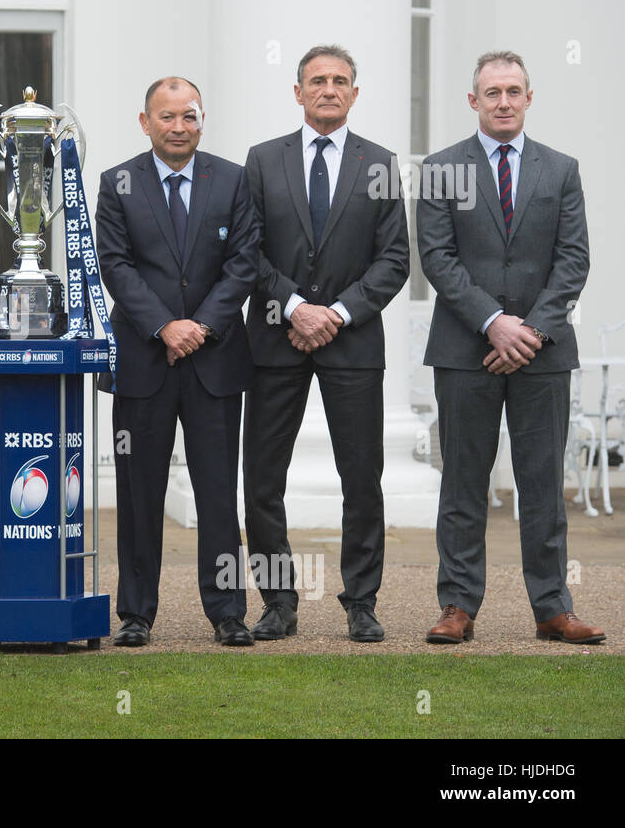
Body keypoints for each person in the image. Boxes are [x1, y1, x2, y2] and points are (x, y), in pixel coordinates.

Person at [418, 50, 604, 645]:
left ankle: (553, 608)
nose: (503, 102)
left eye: (513, 92)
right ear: (473, 101)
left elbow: (574, 258)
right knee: (463, 483)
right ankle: (457, 607)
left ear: (529, 98)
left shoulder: (562, 169)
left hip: (543, 354)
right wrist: (495, 322)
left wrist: (530, 332)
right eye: (492, 93)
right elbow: (437, 258)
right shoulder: (442, 168)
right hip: (464, 349)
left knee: (544, 483)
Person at [242, 45, 409, 643]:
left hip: (352, 344)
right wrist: (293, 306)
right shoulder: (262, 162)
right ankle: (278, 602)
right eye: (318, 81)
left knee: (361, 477)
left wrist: (334, 314)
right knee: (262, 479)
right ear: (298, 91)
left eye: (341, 81)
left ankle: (361, 601)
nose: (329, 89)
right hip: (273, 338)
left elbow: (395, 260)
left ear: (355, 94)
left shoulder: (381, 162)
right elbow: (248, 251)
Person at [95, 76, 261, 647]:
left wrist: (200, 327)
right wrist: (165, 326)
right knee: (140, 491)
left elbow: (243, 263)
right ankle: (137, 613)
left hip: (214, 362)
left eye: (188, 116)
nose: (178, 126)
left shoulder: (234, 180)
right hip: (144, 359)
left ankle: (228, 613)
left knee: (218, 491)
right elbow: (114, 266)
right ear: (145, 122)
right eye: (166, 117)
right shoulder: (117, 183)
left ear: (201, 119)